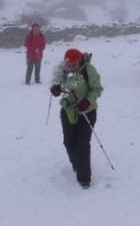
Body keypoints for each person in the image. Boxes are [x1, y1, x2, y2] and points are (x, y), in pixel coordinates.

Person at [50, 49, 103, 189]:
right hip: (68, 110)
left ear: (79, 61)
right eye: (69, 64)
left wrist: (87, 101)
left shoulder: (89, 70)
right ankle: (76, 164)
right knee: (68, 142)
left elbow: (97, 89)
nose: (71, 67)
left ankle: (84, 178)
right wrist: (55, 89)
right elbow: (57, 82)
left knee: (82, 145)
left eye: (74, 64)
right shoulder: (64, 68)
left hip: (87, 111)